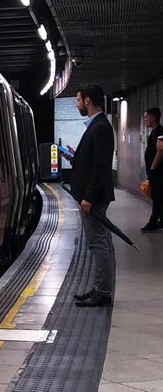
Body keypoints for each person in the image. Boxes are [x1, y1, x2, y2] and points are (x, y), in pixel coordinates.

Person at [70, 85, 115, 307]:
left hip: (93, 199)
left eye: (78, 100)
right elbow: (93, 162)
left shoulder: (100, 127)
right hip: (92, 196)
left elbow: (100, 166)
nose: (77, 104)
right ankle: (100, 288)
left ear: (87, 101)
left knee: (98, 244)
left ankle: (103, 292)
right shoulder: (98, 126)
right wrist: (74, 159)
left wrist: (88, 197)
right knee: (101, 243)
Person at [142, 107, 163, 232]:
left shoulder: (159, 132)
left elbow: (160, 151)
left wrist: (152, 168)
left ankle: (153, 222)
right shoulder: (155, 132)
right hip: (155, 170)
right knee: (158, 196)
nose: (145, 120)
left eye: (146, 117)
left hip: (158, 171)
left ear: (153, 117)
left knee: (157, 196)